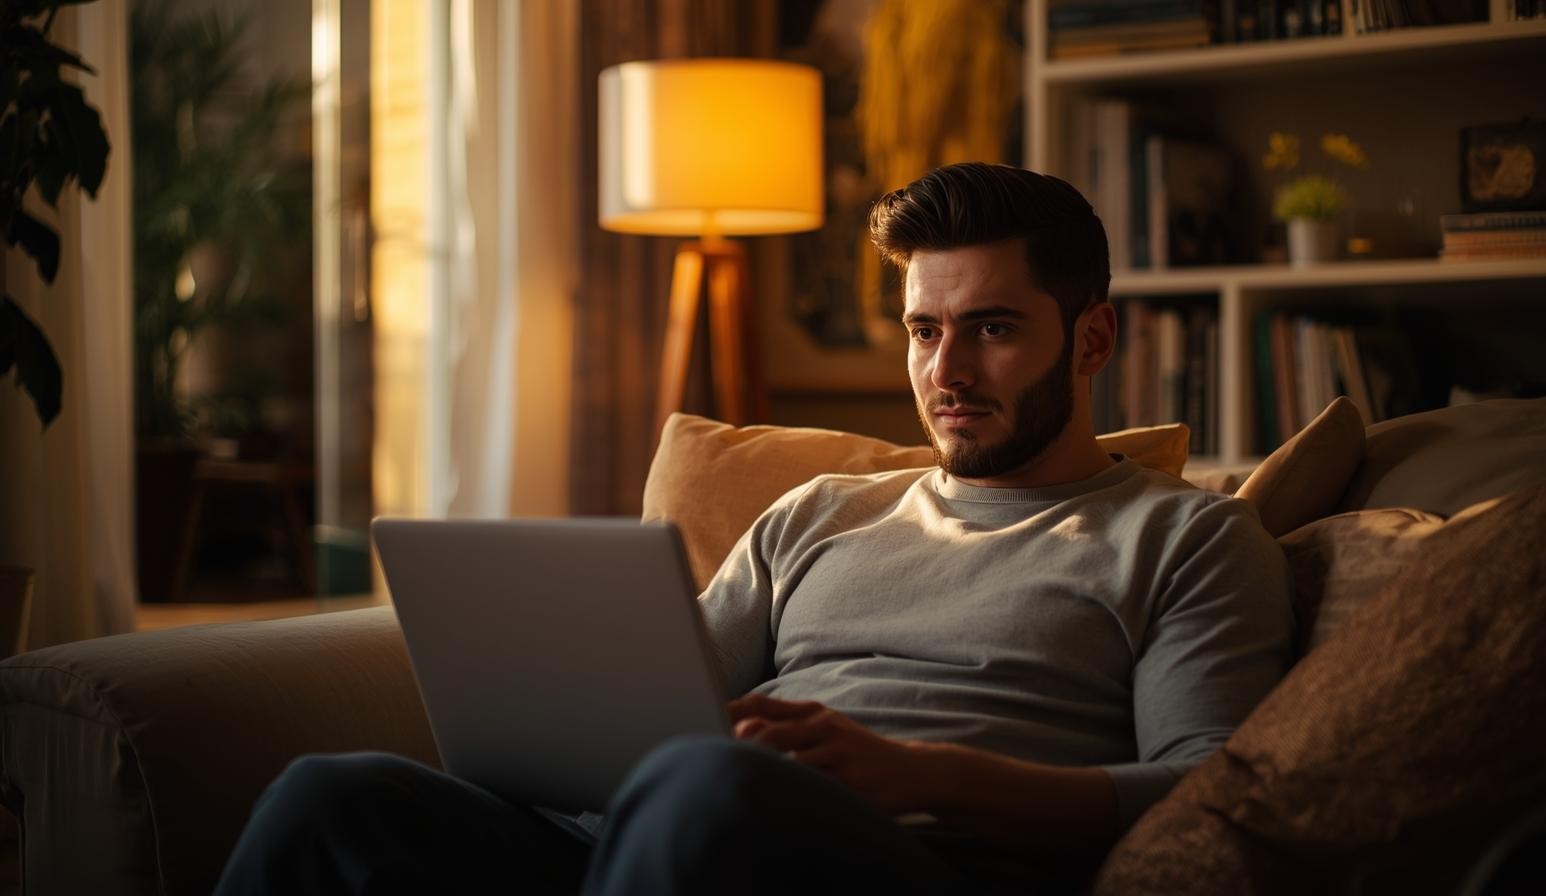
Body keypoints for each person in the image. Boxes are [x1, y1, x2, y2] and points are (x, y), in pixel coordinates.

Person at [215, 163, 1293, 895]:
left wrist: (917, 773)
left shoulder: (1187, 539)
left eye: (992, 329)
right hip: (666, 841)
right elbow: (661, 707)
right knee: (333, 797)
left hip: (909, 859)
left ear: (1092, 339)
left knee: (708, 786)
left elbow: (1207, 790)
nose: (947, 372)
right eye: (924, 331)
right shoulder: (819, 511)